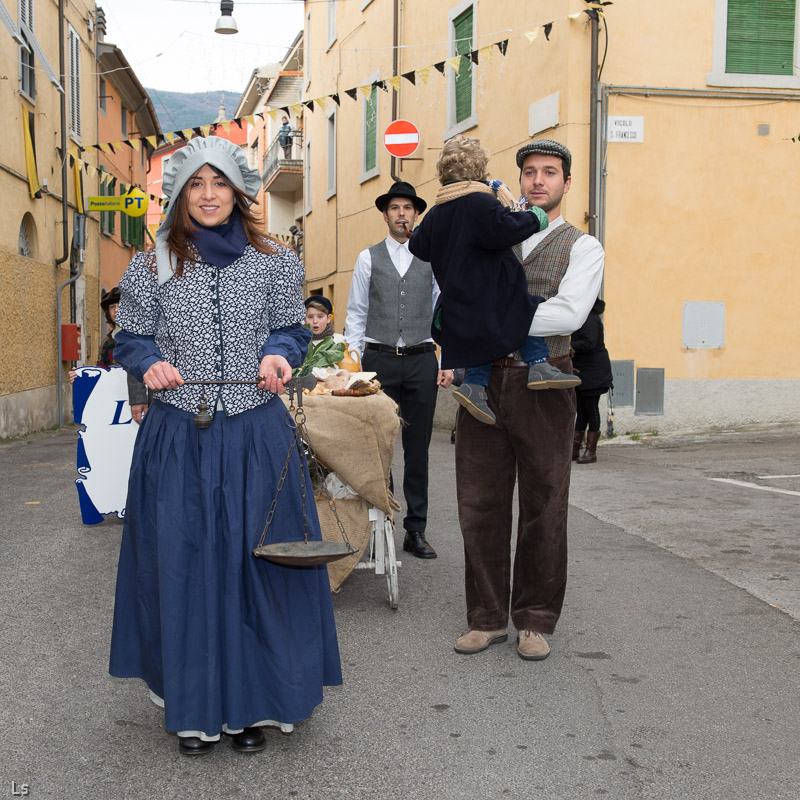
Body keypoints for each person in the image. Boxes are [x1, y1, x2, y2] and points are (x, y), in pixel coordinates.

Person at [108, 136, 342, 756]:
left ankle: (251, 706)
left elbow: (291, 330)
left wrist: (280, 353)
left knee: (253, 566)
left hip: (254, 433)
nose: (208, 196)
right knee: (183, 567)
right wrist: (149, 361)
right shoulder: (150, 263)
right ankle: (193, 709)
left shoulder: (274, 262)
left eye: (219, 184)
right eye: (195, 184)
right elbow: (129, 338)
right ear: (180, 193)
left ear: (238, 192)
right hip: (179, 435)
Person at [453, 139, 604, 660]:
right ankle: (487, 617)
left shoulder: (583, 247)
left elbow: (569, 315)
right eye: (531, 173)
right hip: (485, 379)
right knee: (479, 503)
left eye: (550, 173)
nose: (539, 181)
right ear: (519, 182)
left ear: (565, 183)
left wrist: (489, 318)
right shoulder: (496, 235)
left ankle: (534, 619)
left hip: (548, 382)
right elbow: (452, 293)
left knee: (544, 502)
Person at [408, 135, 579, 426]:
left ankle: (474, 386)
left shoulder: (438, 212)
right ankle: (539, 366)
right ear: (480, 171)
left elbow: (417, 246)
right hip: (486, 292)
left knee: (485, 339)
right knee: (523, 308)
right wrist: (535, 217)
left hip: (455, 303)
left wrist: (431, 225)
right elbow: (502, 228)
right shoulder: (478, 203)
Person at [344, 181, 454, 559]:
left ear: (416, 213)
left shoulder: (434, 258)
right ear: (386, 214)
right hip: (378, 360)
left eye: (408, 207)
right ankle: (383, 525)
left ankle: (416, 530)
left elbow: (446, 314)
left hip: (423, 358)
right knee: (379, 447)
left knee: (418, 448)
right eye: (395, 208)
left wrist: (448, 360)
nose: (401, 213)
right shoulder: (367, 258)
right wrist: (353, 364)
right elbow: (356, 314)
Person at [571, 297, 613, 464]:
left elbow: (589, 343)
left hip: (594, 372)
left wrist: (568, 345)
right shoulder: (583, 317)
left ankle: (590, 451)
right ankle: (574, 449)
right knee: (581, 411)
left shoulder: (589, 319)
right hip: (584, 371)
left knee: (591, 410)